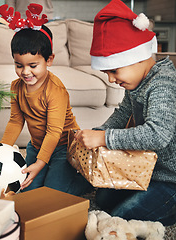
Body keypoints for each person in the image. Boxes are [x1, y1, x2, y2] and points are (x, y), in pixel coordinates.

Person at [74, 0, 176, 225]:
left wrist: (104, 138)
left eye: (114, 70)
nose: (111, 79)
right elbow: (122, 115)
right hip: (150, 171)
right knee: (103, 196)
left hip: (172, 180)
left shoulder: (162, 84)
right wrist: (98, 132)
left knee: (119, 217)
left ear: (137, 58)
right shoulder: (138, 82)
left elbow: (158, 135)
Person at [0, 4, 92, 195]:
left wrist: (41, 164)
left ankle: (86, 181)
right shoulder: (16, 87)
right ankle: (45, 171)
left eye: (33, 65)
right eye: (19, 65)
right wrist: (1, 150)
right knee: (29, 191)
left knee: (52, 193)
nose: (25, 72)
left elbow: (54, 132)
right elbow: (16, 121)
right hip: (36, 145)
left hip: (63, 148)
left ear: (49, 60)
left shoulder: (55, 90)